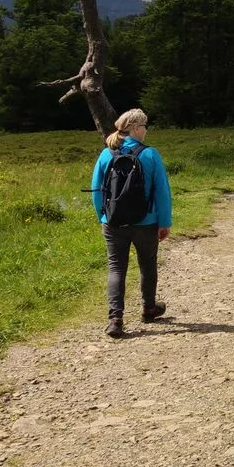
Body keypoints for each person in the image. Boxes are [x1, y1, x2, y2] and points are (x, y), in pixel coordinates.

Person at [91, 108, 173, 337]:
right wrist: (164, 222)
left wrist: (103, 216)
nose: (146, 130)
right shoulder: (150, 154)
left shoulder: (107, 154)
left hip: (113, 222)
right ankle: (148, 308)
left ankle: (115, 319)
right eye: (144, 126)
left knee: (116, 267)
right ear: (136, 128)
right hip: (146, 222)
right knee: (147, 265)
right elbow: (162, 192)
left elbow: (97, 190)